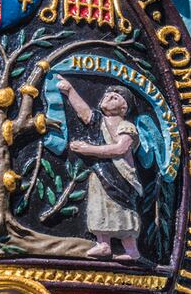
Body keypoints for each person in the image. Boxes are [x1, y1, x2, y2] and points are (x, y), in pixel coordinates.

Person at [56, 77, 143, 260]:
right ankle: (103, 244)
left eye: (115, 98)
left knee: (122, 207)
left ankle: (132, 251)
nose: (108, 98)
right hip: (100, 173)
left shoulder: (126, 126)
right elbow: (84, 113)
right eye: (107, 95)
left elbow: (120, 149)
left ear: (123, 108)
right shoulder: (100, 121)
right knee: (100, 207)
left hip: (121, 177)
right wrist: (70, 90)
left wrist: (88, 149)